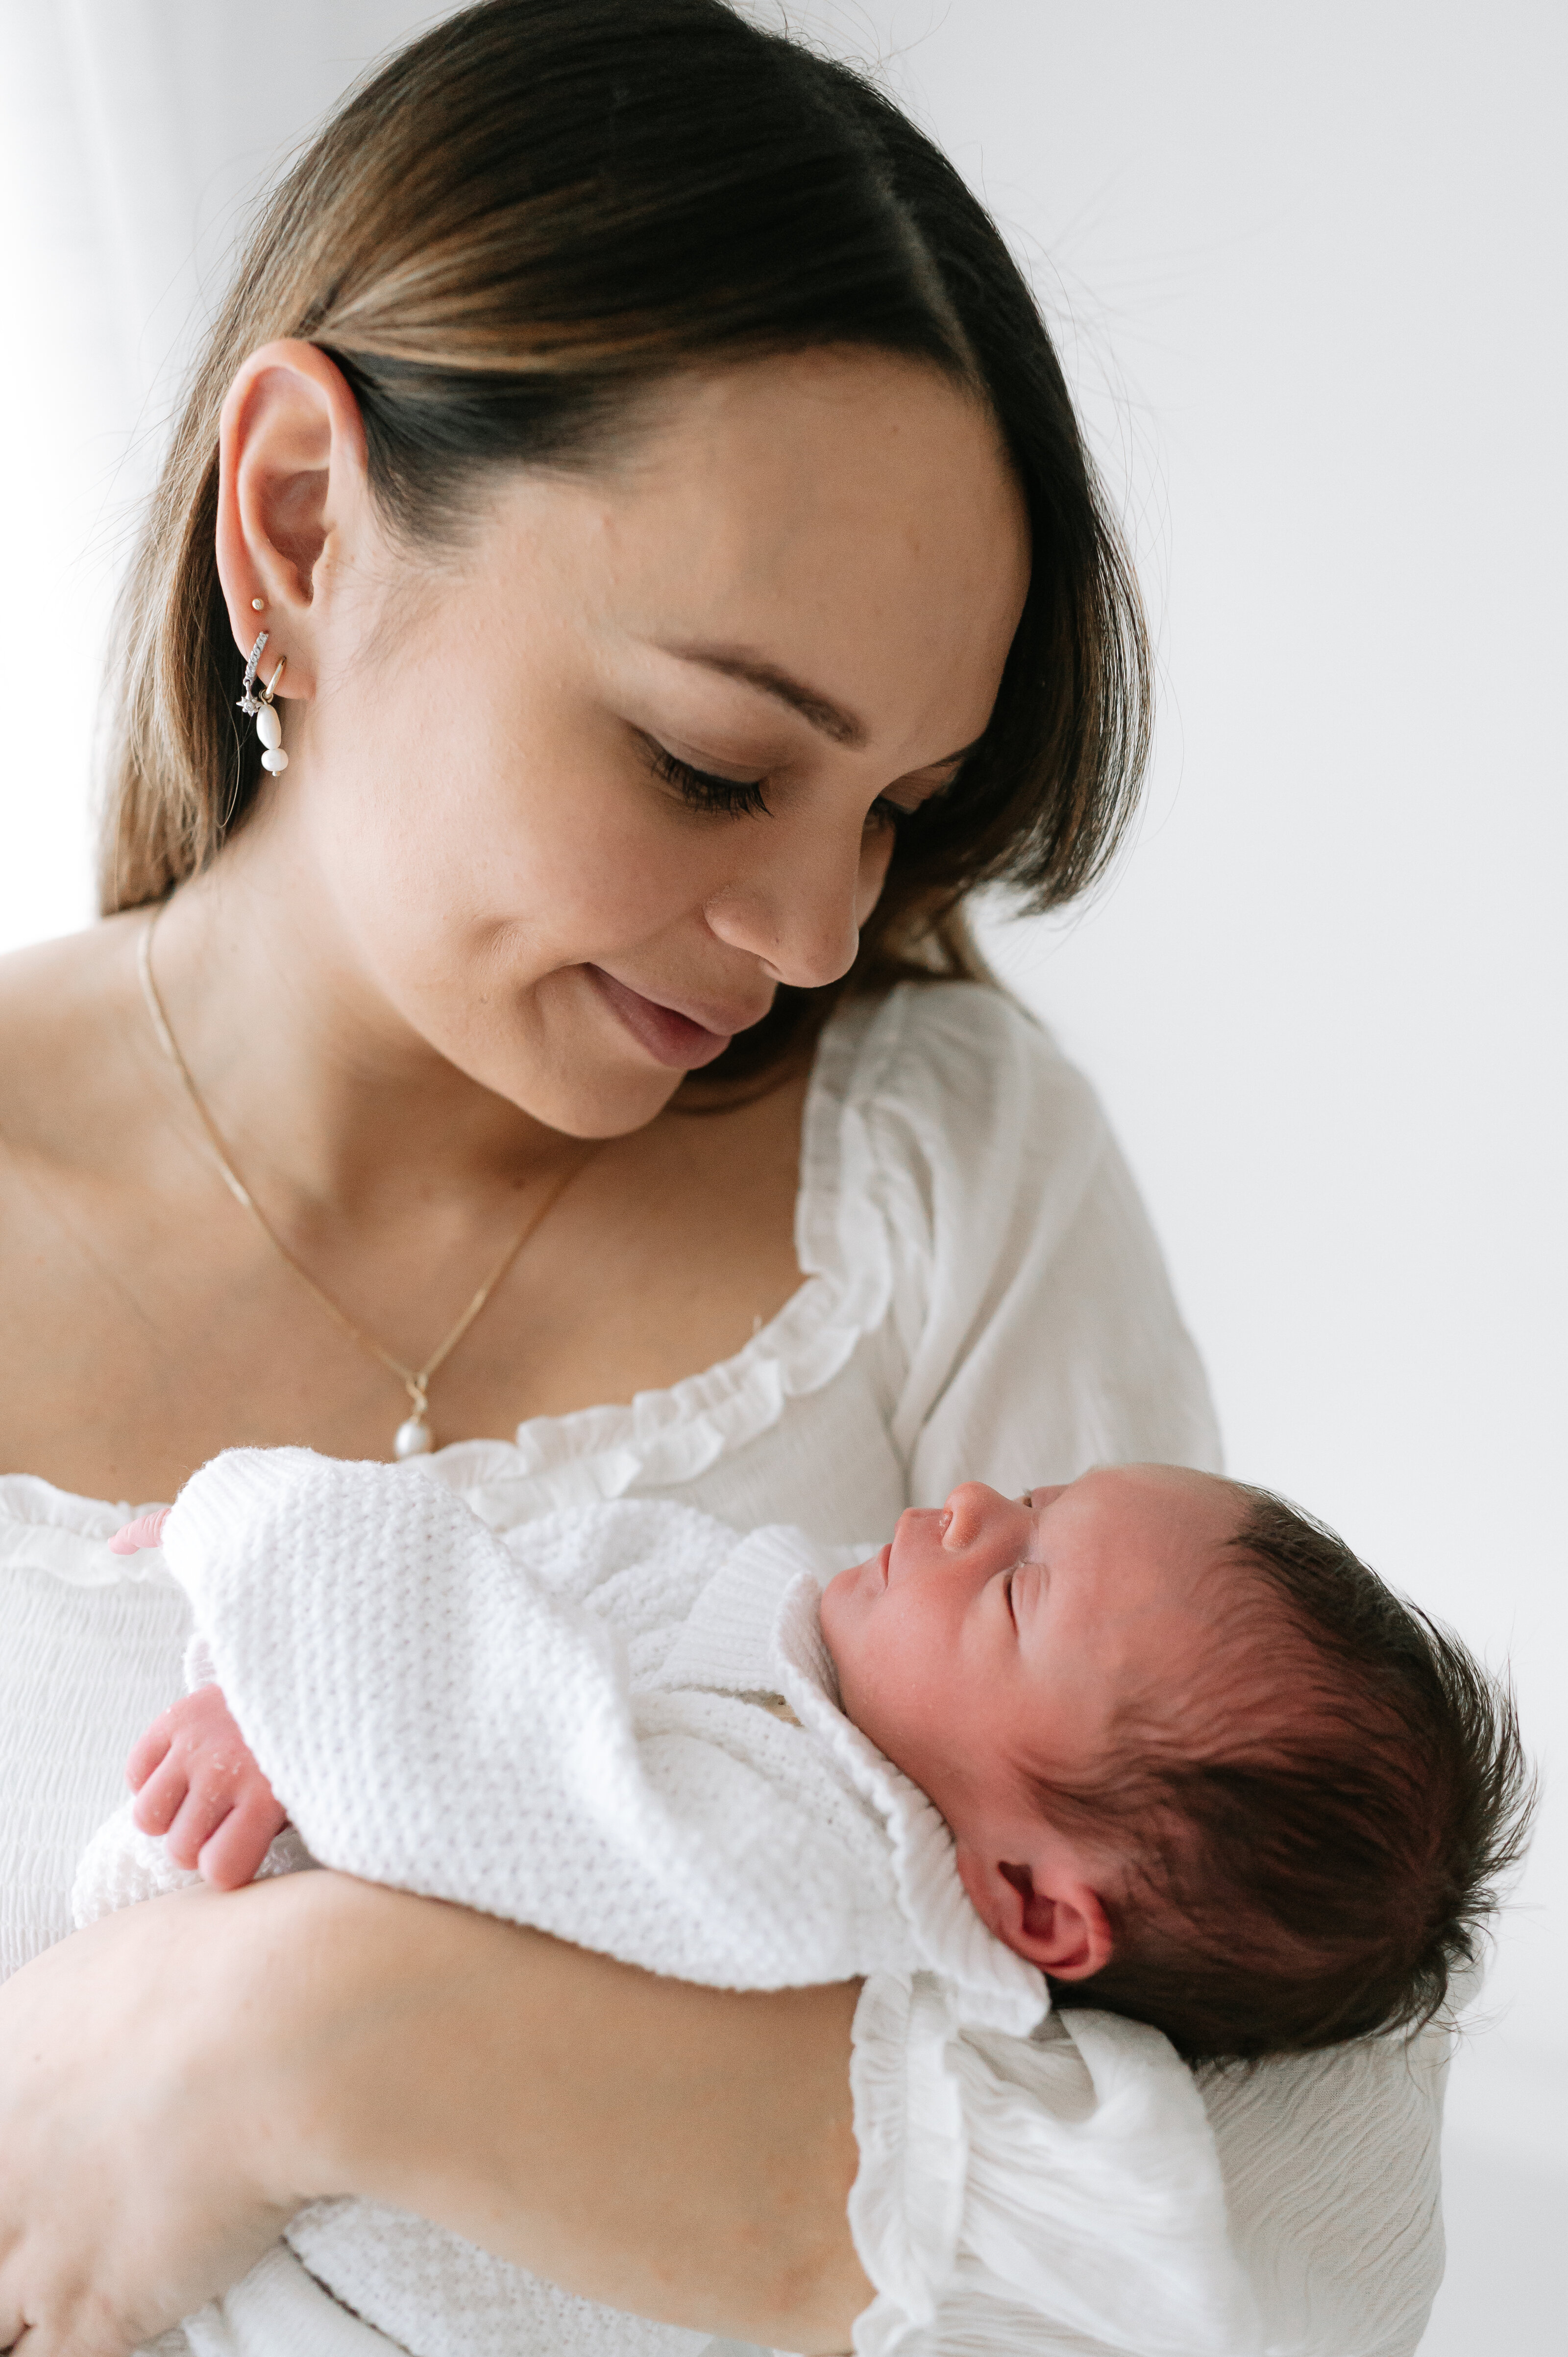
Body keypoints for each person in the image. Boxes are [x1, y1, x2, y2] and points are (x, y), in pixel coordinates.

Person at [0, 4, 1459, 2354]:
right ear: (294, 524)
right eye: (706, 764)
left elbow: (1310, 2237)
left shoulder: (942, 1167)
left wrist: (300, 2040)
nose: (806, 937)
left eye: (892, 807)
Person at [80, 1446, 1526, 2357]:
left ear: (1026, 1899)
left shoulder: (805, 1870)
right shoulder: (779, 1646)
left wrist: (282, 1601)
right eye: (1032, 1497)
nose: (968, 1507)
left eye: (1017, 1585)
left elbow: (471, 1777)